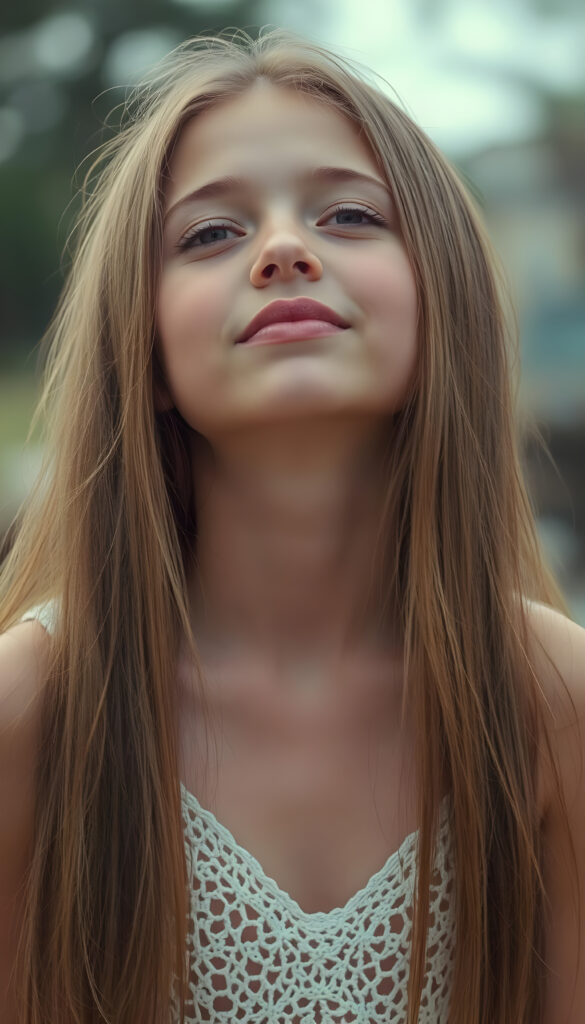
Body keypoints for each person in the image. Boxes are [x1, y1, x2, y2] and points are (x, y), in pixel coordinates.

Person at [0, 27, 583, 1024]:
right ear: (142, 352)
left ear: (444, 294)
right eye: (210, 234)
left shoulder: (553, 702)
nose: (283, 248)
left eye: (351, 213)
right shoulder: (33, 713)